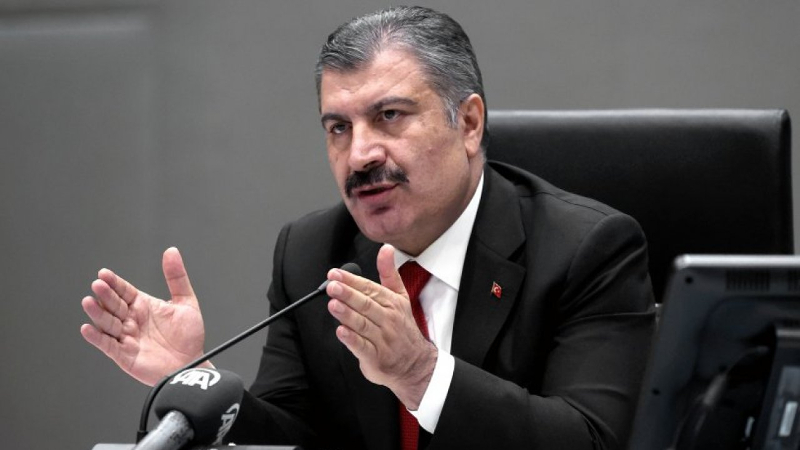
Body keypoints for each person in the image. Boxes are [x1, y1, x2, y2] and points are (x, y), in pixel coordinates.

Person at [81, 6, 655, 450]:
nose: (359, 155)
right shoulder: (311, 254)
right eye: (338, 128)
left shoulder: (587, 250)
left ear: (469, 124)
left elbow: (590, 440)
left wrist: (419, 373)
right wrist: (195, 381)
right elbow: (293, 436)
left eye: (389, 116)